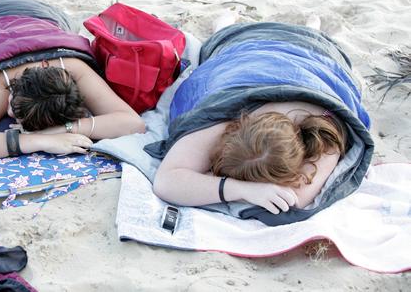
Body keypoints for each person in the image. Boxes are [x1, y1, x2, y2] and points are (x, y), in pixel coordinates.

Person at [152, 12, 355, 214]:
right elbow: (166, 183)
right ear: (235, 129)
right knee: (223, 42)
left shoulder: (327, 134)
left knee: (314, 43)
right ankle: (226, 26)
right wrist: (243, 190)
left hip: (312, 59)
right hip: (245, 54)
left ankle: (312, 30)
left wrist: (235, 188)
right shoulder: (224, 119)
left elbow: (294, 201)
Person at [0, 57, 146, 160]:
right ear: (15, 85)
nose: (10, 113)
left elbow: (134, 124)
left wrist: (65, 129)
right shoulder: (2, 81)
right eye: (13, 105)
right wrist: (40, 141)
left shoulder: (73, 69)